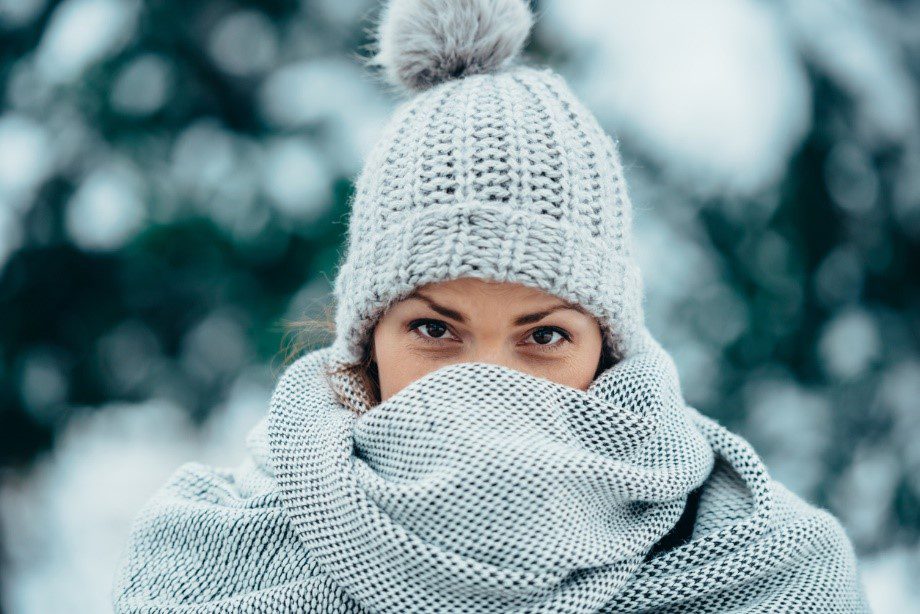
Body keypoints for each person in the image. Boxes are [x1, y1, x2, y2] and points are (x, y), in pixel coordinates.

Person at [111, 0, 871, 611]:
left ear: (608, 347)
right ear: (366, 339)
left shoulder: (772, 571)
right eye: (435, 328)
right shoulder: (205, 562)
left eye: (542, 336)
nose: (484, 383)